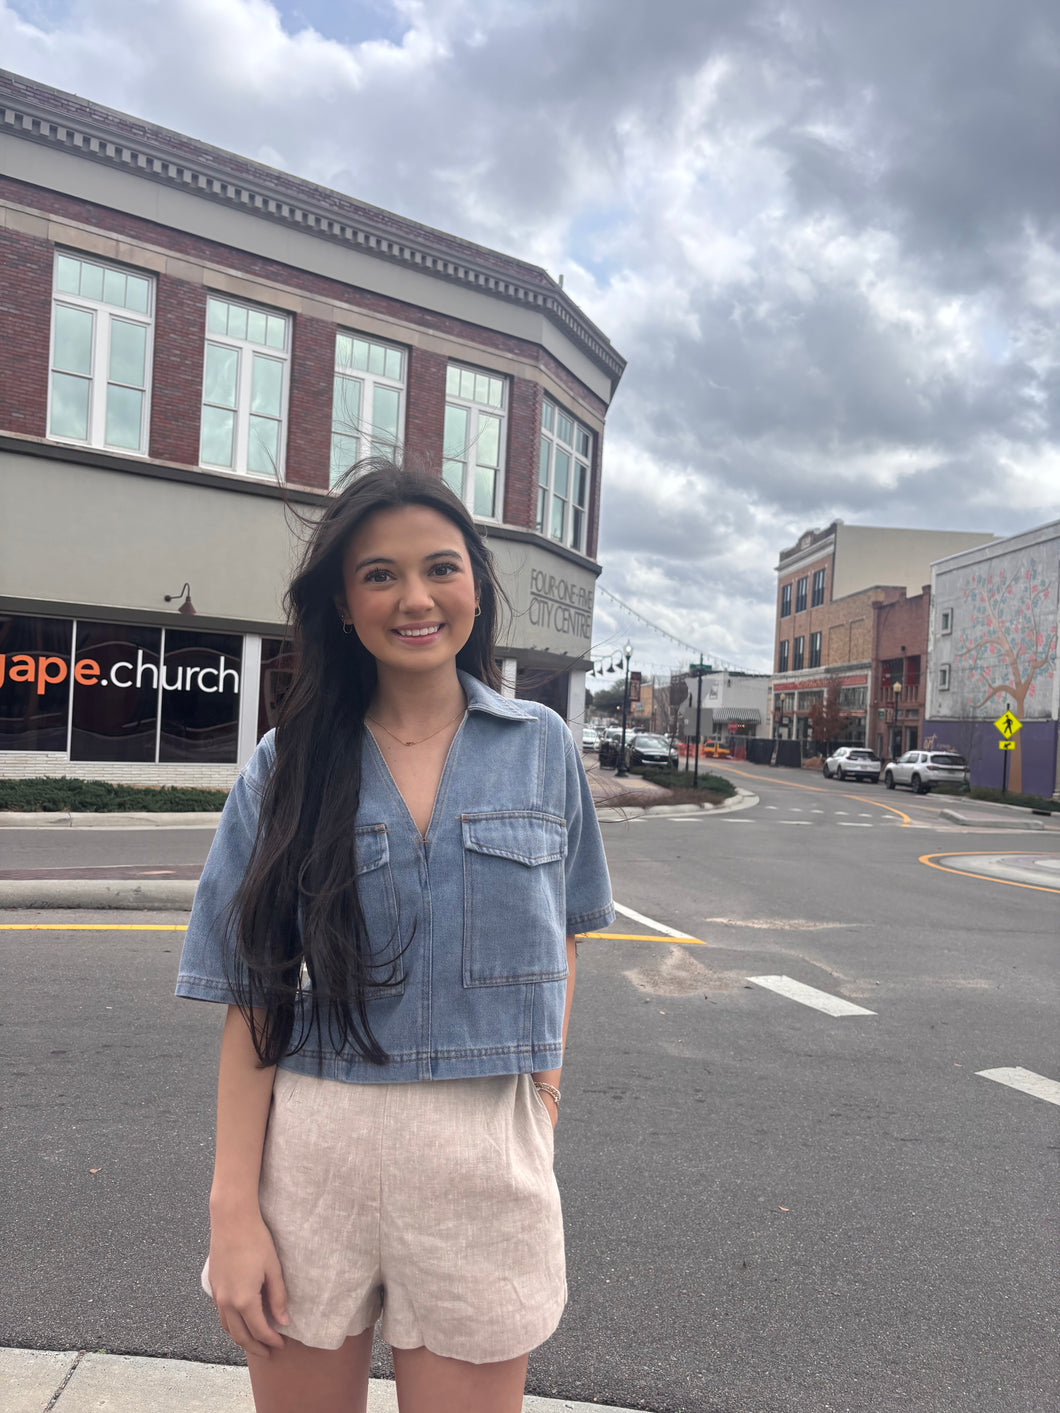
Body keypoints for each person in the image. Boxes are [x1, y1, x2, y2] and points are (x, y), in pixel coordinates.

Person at [175, 461, 615, 1413]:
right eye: (379, 574)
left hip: (483, 1157)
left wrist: (540, 1104)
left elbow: (567, 934)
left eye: (440, 568)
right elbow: (255, 994)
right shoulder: (288, 764)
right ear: (341, 601)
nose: (415, 598)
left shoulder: (542, 748)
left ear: (475, 585)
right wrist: (232, 1204)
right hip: (312, 1154)